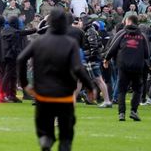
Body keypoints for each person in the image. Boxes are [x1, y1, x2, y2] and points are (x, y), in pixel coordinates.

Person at [17, 9, 96, 151]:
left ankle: (46, 140)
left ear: (49, 22)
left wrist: (25, 84)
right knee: (66, 136)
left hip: (43, 95)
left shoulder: (39, 42)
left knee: (45, 130)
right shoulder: (70, 43)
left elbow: (21, 59)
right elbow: (78, 68)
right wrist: (90, 87)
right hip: (64, 96)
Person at [103, 14, 150, 122]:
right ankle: (134, 111)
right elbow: (147, 54)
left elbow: (113, 47)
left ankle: (122, 113)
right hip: (138, 67)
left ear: (128, 22)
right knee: (137, 90)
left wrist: (106, 59)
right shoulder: (142, 36)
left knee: (122, 90)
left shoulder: (122, 33)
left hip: (123, 65)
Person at [0, 15, 37, 102]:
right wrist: (35, 29)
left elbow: (22, 32)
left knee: (11, 75)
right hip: (12, 56)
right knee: (9, 75)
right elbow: (23, 33)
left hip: (5, 55)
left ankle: (11, 95)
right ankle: (3, 95)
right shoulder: (14, 32)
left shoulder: (5, 30)